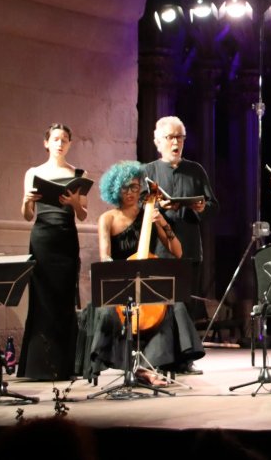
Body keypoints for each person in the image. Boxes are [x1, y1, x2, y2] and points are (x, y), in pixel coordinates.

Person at [82, 161, 205, 384]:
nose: (131, 192)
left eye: (135, 187)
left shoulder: (149, 214)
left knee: (173, 307)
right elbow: (105, 256)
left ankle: (152, 365)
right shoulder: (107, 219)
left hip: (146, 284)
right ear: (115, 189)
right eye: (125, 187)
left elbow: (177, 252)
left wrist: (163, 223)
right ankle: (132, 367)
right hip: (120, 282)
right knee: (109, 313)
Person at [141, 115, 218, 360]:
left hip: (189, 247)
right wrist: (157, 206)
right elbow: (140, 206)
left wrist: (201, 207)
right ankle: (161, 356)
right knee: (161, 305)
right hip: (159, 248)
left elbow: (213, 206)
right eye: (170, 137)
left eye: (180, 137)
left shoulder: (195, 170)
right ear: (158, 142)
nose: (176, 142)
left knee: (185, 302)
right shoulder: (148, 171)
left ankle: (185, 357)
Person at [18, 123, 88, 381]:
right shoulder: (34, 172)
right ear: (46, 142)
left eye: (65, 139)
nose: (60, 143)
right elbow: (26, 216)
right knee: (42, 299)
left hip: (67, 239)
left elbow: (83, 214)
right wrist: (26, 201)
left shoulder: (78, 173)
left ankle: (65, 364)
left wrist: (73, 203)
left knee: (65, 299)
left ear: (69, 144)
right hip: (43, 239)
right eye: (56, 139)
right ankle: (38, 365)